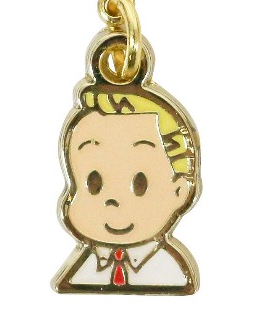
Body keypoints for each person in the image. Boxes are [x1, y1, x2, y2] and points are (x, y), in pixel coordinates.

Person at [52, 84, 202, 295]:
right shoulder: (77, 273)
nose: (113, 201)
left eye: (141, 184)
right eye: (94, 184)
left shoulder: (174, 274)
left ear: (179, 191)